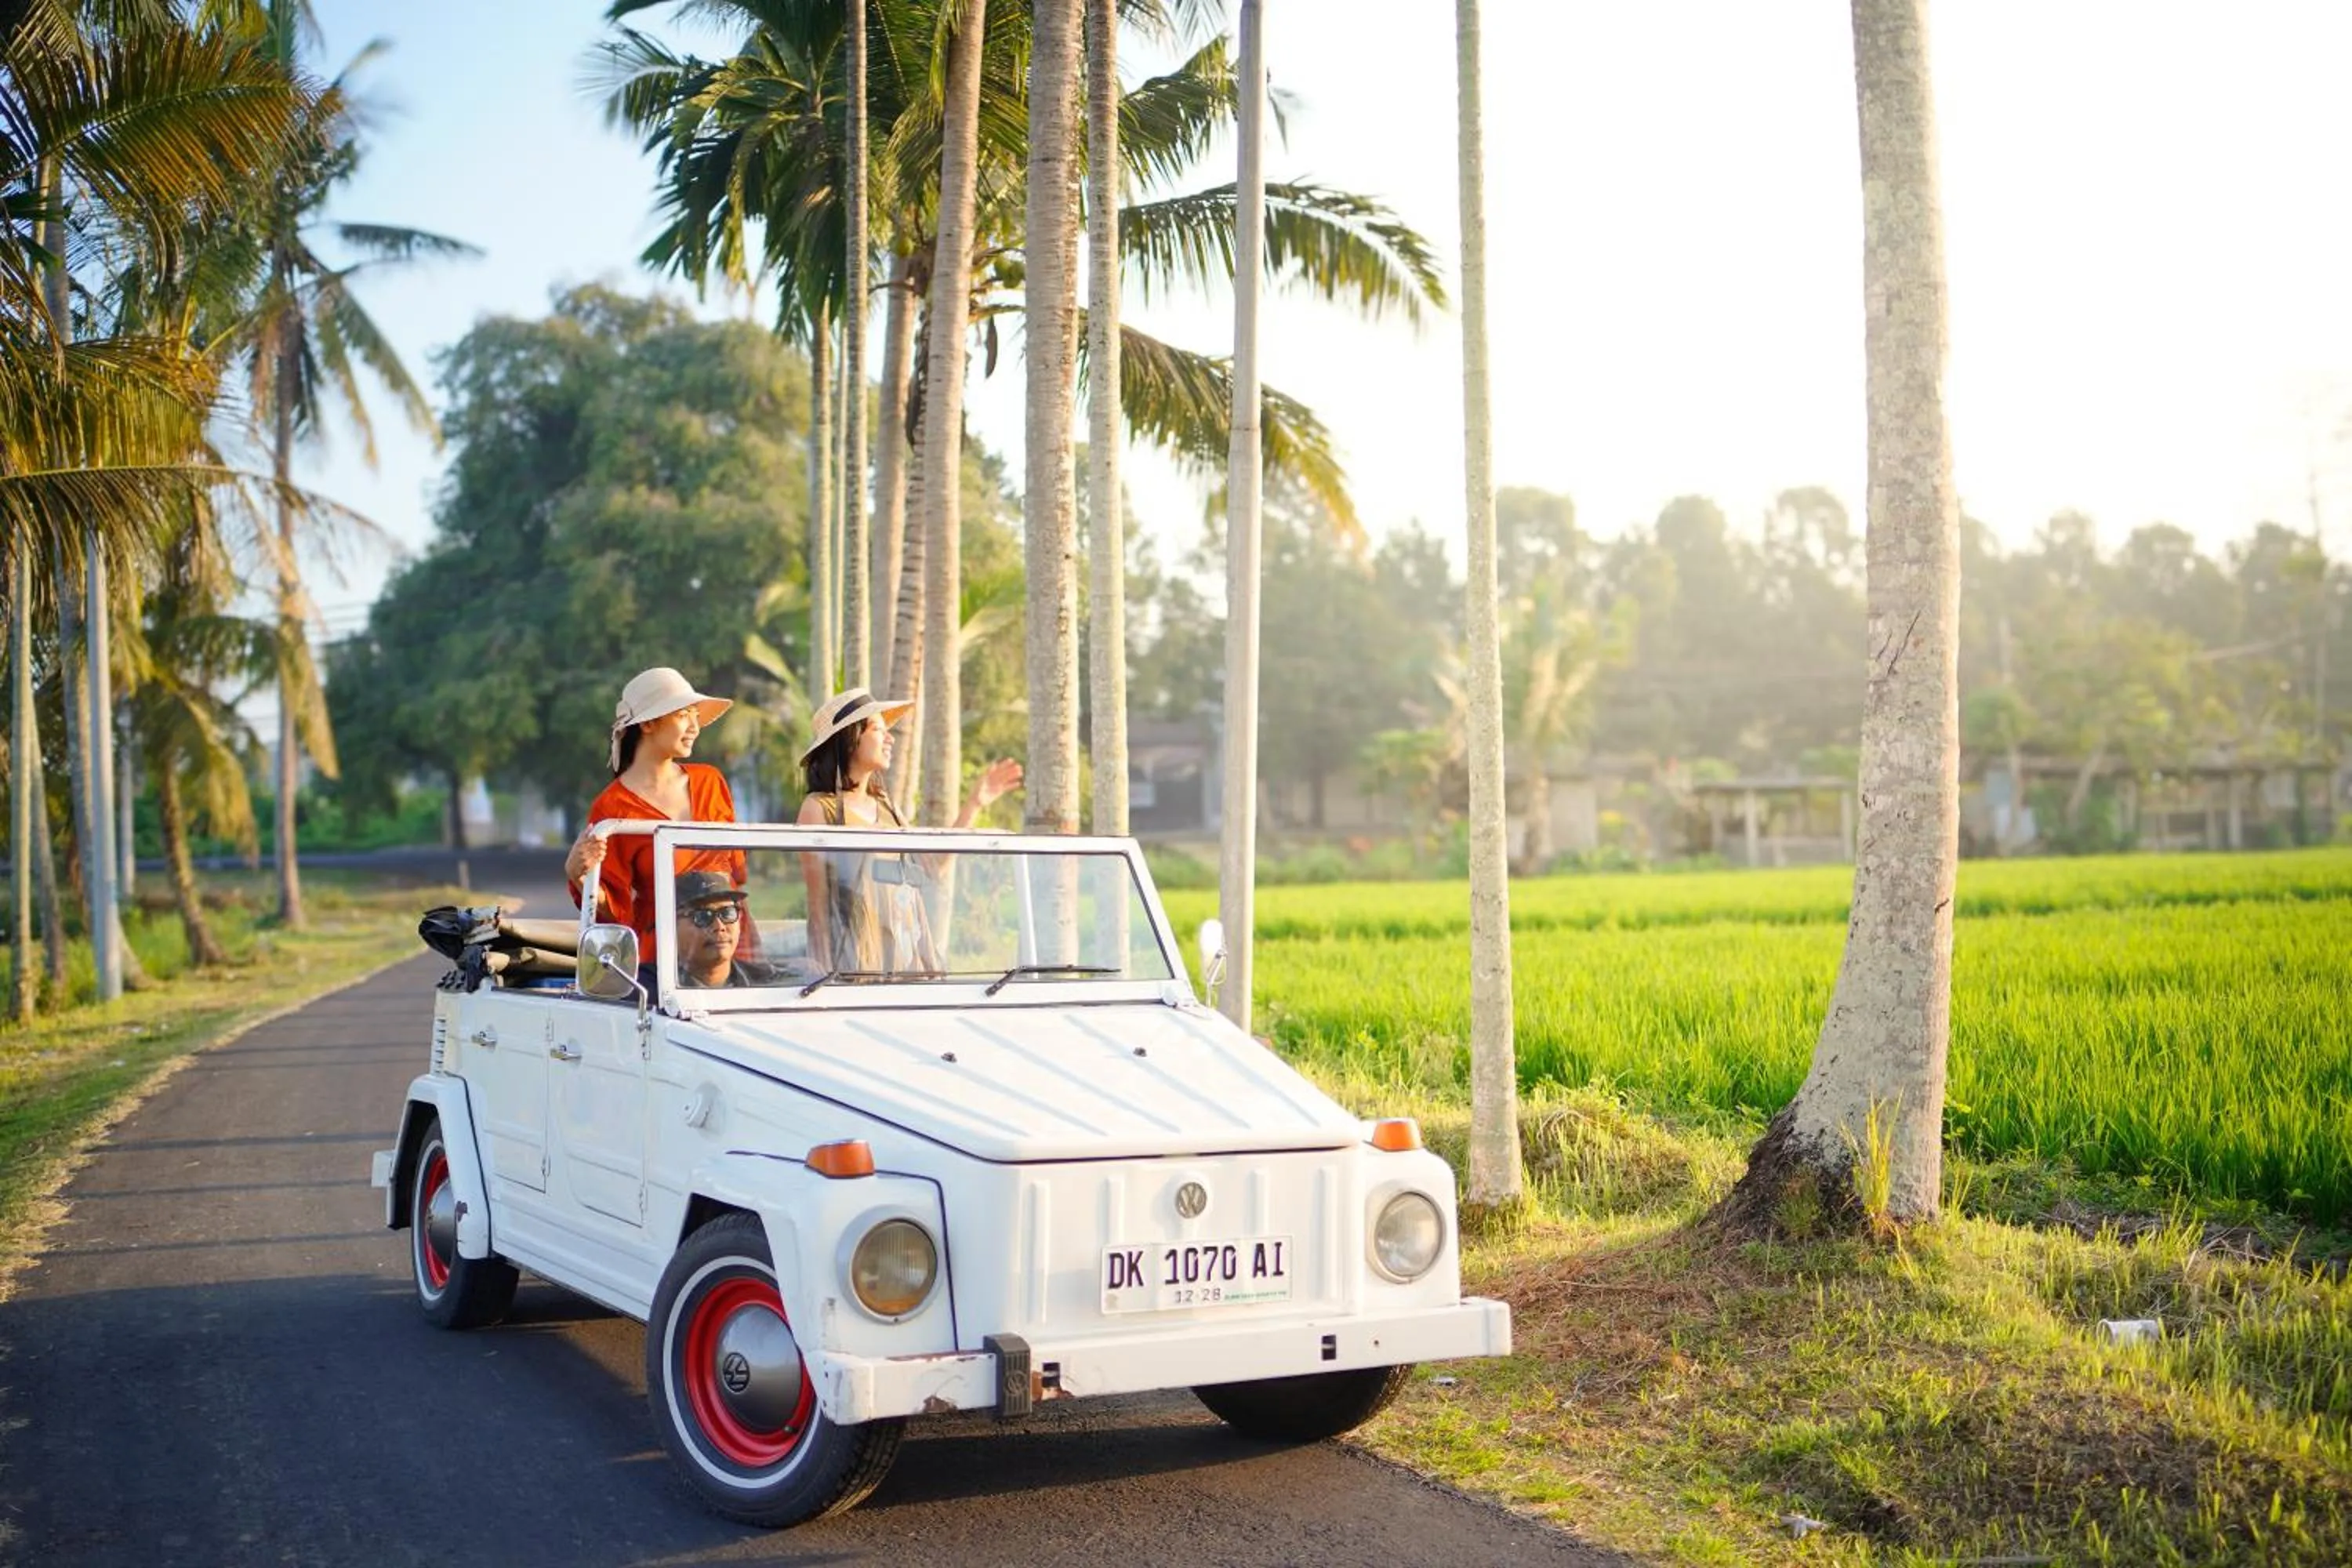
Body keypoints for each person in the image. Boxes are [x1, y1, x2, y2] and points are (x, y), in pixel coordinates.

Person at [794, 688, 1021, 972]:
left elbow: (933, 867)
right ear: (850, 738)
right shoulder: (818, 809)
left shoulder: (887, 808)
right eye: (878, 729)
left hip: (905, 965)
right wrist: (824, 982)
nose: (890, 739)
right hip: (855, 969)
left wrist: (974, 804)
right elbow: (818, 910)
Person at [565, 666, 745, 971]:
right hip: (663, 957)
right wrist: (578, 875)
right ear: (648, 724)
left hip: (727, 943)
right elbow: (617, 913)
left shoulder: (711, 782)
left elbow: (737, 872)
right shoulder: (612, 808)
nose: (695, 727)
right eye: (683, 715)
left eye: (696, 715)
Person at [673, 870, 770, 989]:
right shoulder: (656, 991)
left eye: (727, 913)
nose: (719, 926)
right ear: (673, 926)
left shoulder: (768, 984)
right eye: (703, 916)